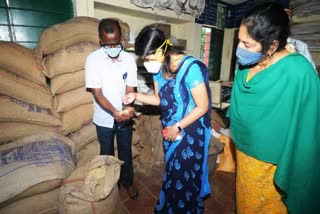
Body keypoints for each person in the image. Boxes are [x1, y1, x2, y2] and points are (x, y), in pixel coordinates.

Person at [227, 3, 320, 213]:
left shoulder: (299, 72)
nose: (240, 49)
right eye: (239, 41)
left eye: (247, 44)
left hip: (274, 165)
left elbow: (307, 128)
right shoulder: (245, 67)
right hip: (243, 156)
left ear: (271, 45)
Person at [123, 26, 212, 213]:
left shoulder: (191, 68)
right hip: (170, 131)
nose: (147, 63)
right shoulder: (159, 70)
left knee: (184, 178)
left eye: (148, 58)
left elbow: (202, 107)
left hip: (190, 134)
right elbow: (159, 99)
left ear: (160, 50)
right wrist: (136, 96)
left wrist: (177, 127)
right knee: (173, 174)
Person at [85, 18, 139, 199]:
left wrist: (127, 108)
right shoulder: (92, 60)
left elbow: (130, 88)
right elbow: (98, 93)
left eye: (116, 43)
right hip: (104, 117)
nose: (113, 47)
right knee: (106, 153)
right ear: (101, 41)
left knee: (125, 150)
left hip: (124, 115)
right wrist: (114, 112)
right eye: (108, 44)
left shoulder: (129, 60)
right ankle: (109, 186)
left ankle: (128, 182)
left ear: (121, 40)